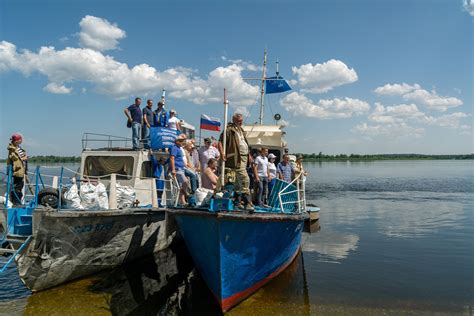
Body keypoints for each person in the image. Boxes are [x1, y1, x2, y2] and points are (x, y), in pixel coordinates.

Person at [218, 113, 254, 210]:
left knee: (238, 181)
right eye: (239, 121)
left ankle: (237, 202)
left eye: (241, 121)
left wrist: (249, 155)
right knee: (245, 179)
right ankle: (247, 202)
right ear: (234, 120)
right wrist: (222, 153)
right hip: (236, 158)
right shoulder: (229, 130)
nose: (241, 122)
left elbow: (244, 144)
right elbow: (220, 141)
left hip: (244, 157)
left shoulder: (241, 130)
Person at [7, 133, 28, 206]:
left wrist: (24, 157)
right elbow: (15, 159)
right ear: (16, 141)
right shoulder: (12, 149)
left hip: (21, 170)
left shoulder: (18, 147)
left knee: (20, 185)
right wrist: (23, 158)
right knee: (17, 187)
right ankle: (16, 202)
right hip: (17, 171)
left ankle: (17, 201)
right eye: (19, 140)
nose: (21, 141)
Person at [169, 134, 188, 205]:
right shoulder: (174, 148)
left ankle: (182, 200)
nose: (182, 142)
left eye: (182, 141)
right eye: (180, 141)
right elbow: (172, 158)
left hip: (182, 168)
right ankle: (184, 197)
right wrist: (173, 169)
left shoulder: (179, 148)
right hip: (177, 169)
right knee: (185, 182)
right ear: (176, 141)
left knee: (184, 183)